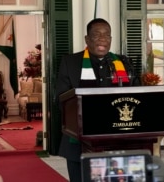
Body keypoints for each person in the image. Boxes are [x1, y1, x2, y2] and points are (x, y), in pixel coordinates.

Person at [55, 18, 140, 182]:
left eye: (107, 35)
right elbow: (62, 101)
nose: (102, 39)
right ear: (87, 39)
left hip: (118, 141)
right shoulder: (70, 62)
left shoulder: (123, 62)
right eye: (97, 35)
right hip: (78, 142)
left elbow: (137, 97)